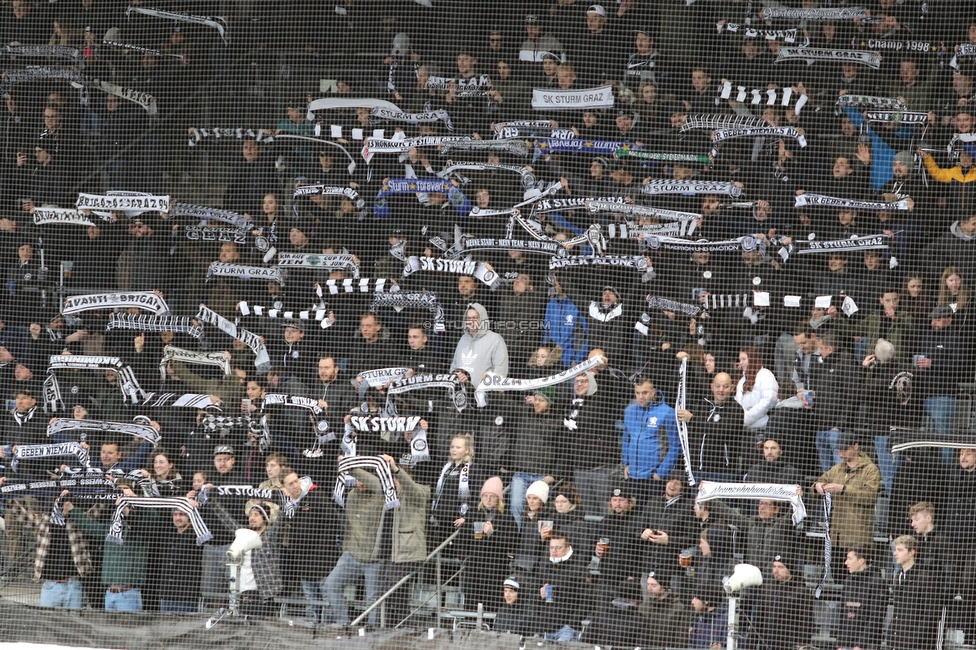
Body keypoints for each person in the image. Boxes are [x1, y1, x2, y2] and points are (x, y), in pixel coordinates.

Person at [813, 433, 881, 577]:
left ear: (856, 446)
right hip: (837, 537)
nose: (842, 453)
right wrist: (817, 486)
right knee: (838, 579)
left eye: (845, 449)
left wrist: (843, 489)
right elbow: (816, 484)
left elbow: (870, 497)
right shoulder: (836, 469)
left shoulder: (870, 469)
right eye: (839, 450)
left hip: (858, 538)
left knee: (859, 581)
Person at [622, 377, 681, 505]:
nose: (640, 397)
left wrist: (661, 472)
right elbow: (626, 438)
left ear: (653, 392)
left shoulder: (667, 413)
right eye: (637, 393)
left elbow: (675, 445)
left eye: (645, 393)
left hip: (654, 477)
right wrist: (626, 463)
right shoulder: (629, 411)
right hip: (633, 476)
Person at [459, 476, 516, 610]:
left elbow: (513, 541)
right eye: (485, 496)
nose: (488, 500)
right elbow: (462, 539)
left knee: (492, 605)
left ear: (498, 498)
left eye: (492, 496)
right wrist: (465, 558)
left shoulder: (506, 516)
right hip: (474, 569)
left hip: (496, 568)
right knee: (471, 605)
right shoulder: (473, 514)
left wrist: (492, 534)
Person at [676, 371, 744, 483]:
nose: (721, 390)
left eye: (725, 386)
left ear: (732, 388)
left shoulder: (736, 410)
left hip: (723, 472)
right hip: (697, 470)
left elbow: (720, 431)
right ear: (712, 387)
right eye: (718, 386)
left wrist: (693, 419)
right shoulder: (702, 405)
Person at [888, 535, 941, 650]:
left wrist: (914, 638)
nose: (895, 553)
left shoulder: (925, 578)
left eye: (900, 550)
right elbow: (897, 609)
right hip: (898, 641)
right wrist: (891, 634)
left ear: (911, 552)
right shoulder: (899, 576)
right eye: (895, 549)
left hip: (916, 643)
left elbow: (931, 613)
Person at [752, 554, 814, 650]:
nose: (776, 571)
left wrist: (801, 646)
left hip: (788, 645)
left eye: (780, 567)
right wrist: (750, 644)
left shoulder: (801, 591)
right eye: (774, 567)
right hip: (766, 644)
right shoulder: (768, 588)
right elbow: (758, 619)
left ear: (789, 569)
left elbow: (806, 622)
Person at [534, 533, 587, 642]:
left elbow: (587, 600)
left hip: (566, 628)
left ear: (567, 549)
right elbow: (533, 594)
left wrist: (571, 623)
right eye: (551, 547)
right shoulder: (544, 566)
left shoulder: (579, 569)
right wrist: (540, 594)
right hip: (546, 628)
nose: (554, 551)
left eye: (558, 548)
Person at [836, 546, 888, 650]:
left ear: (861, 561)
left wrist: (860, 645)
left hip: (866, 645)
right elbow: (842, 614)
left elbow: (876, 617)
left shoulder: (877, 582)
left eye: (850, 558)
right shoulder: (848, 581)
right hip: (846, 644)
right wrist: (839, 644)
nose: (846, 562)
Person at [451, 303, 509, 384]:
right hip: (462, 393)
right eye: (468, 318)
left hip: (484, 394)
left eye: (475, 318)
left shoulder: (495, 340)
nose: (471, 321)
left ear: (483, 318)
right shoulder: (463, 339)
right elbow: (454, 366)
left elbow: (500, 370)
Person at [639, 570, 691, 649]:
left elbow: (681, 639)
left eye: (653, 585)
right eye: (648, 584)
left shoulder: (678, 609)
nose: (649, 588)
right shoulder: (644, 607)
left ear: (664, 588)